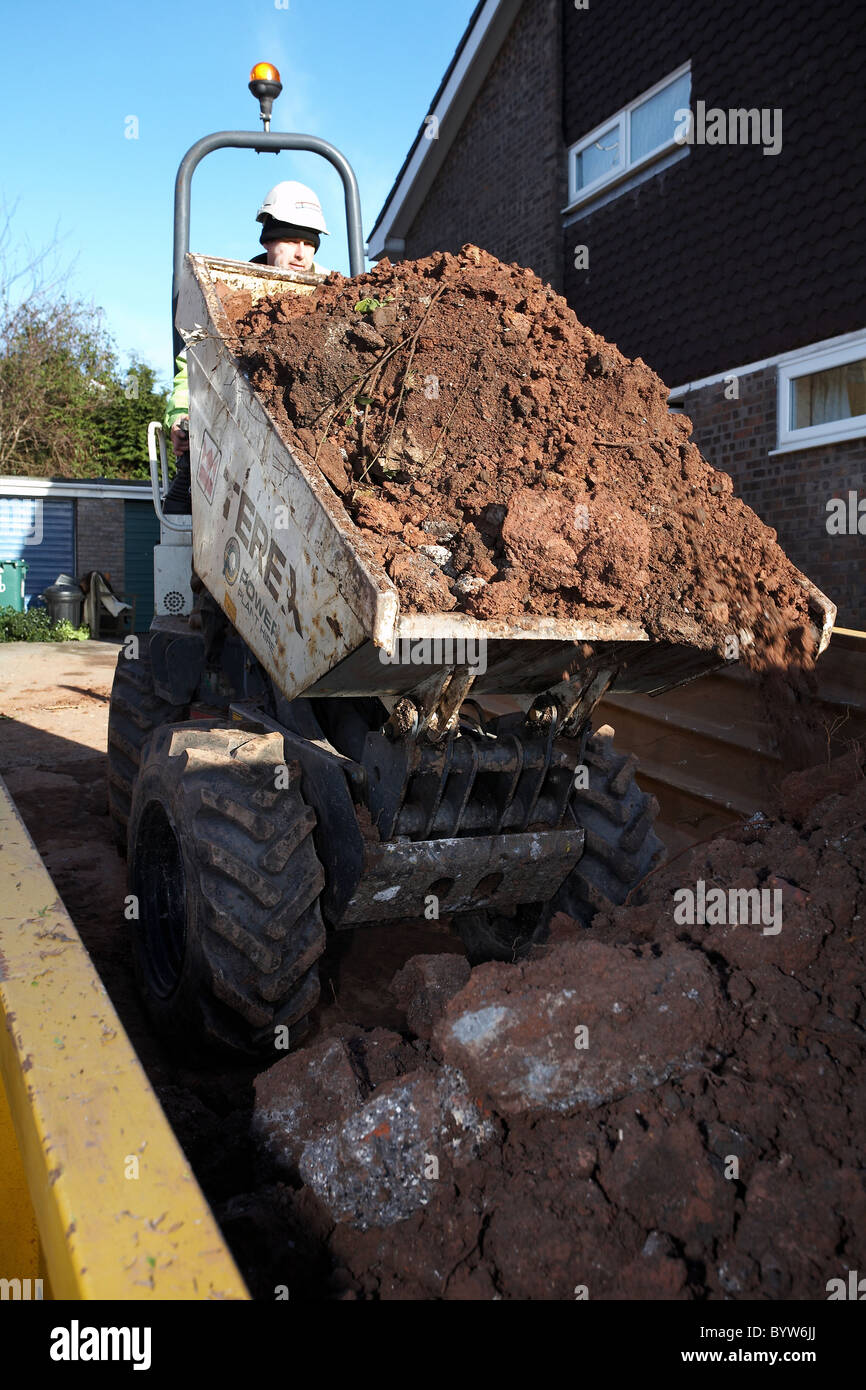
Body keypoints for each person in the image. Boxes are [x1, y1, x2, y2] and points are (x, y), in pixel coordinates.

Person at [163, 181, 329, 513]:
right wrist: (180, 415)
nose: (300, 253)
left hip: (309, 443)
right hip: (230, 431)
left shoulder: (332, 293)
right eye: (290, 240)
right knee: (181, 508)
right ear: (268, 241)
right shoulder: (229, 293)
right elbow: (193, 365)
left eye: (308, 243)